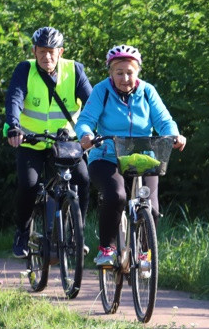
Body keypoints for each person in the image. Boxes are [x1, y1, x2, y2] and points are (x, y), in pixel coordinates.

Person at [75, 45, 186, 267]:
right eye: (119, 72)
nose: (125, 78)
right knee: (116, 196)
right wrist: (86, 134)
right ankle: (107, 249)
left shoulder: (147, 91)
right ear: (110, 73)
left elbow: (163, 120)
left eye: (130, 72)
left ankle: (145, 254)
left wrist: (174, 135)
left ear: (137, 72)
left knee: (151, 208)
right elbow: (86, 119)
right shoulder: (101, 91)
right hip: (107, 156)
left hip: (142, 156)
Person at [4, 27, 93, 258]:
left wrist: (93, 131)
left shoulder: (74, 70)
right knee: (29, 185)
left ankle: (76, 234)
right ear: (34, 51)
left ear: (60, 51)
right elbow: (14, 97)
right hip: (31, 141)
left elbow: (92, 104)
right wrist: (14, 125)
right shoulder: (25, 69)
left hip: (64, 142)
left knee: (82, 178)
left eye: (52, 52)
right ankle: (22, 232)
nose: (47, 57)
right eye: (42, 52)